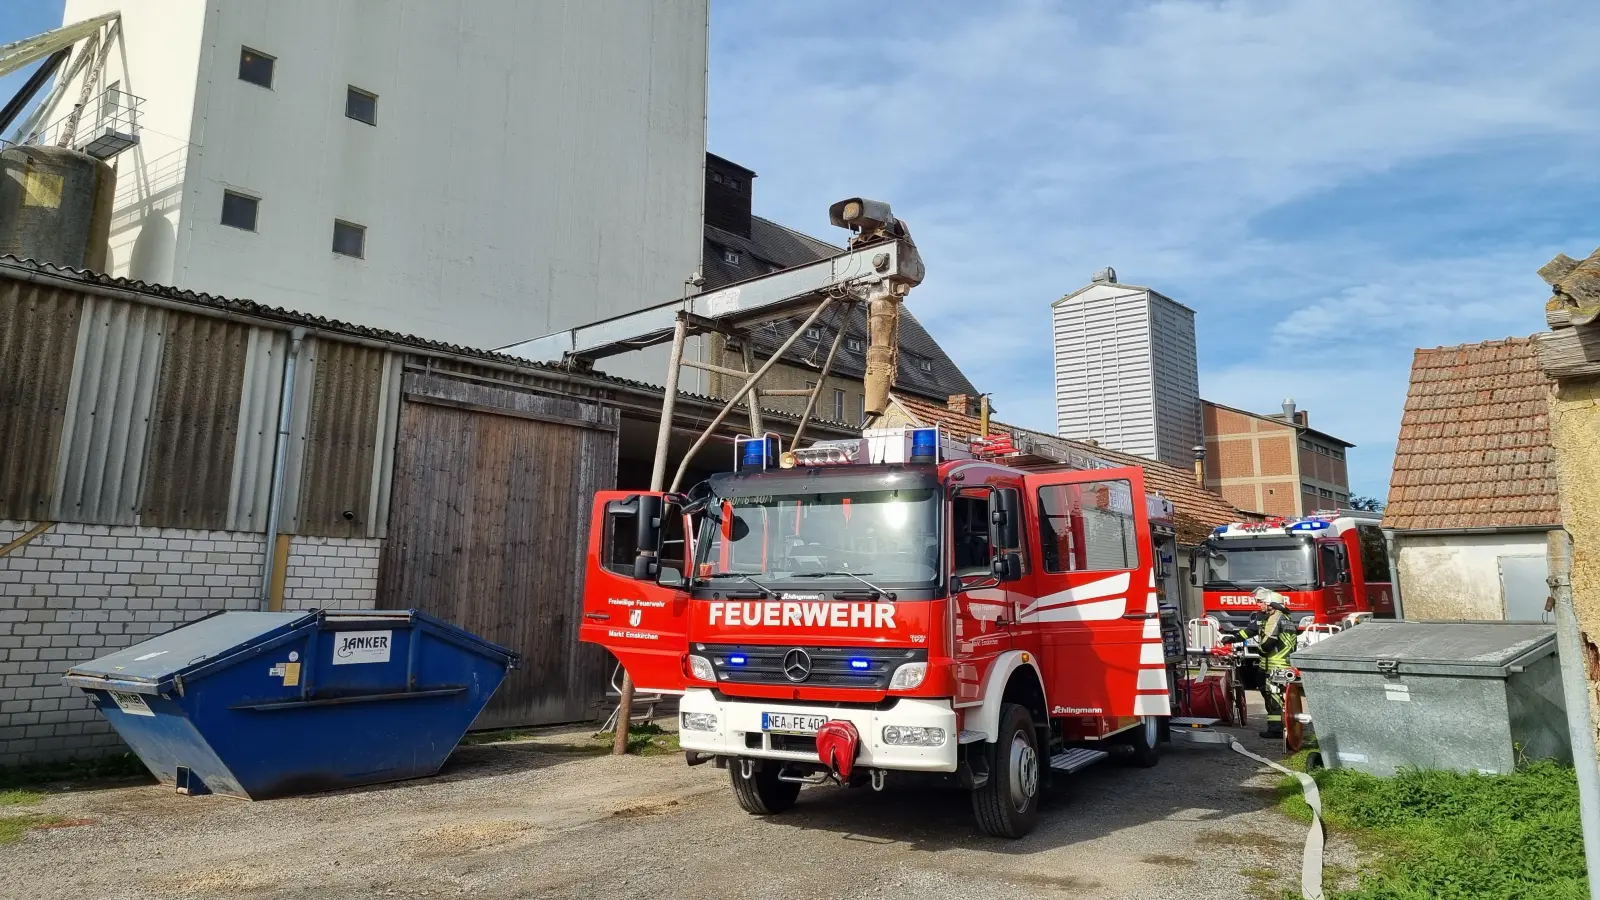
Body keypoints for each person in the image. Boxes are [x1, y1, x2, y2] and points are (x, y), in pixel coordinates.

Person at [1221, 587, 1296, 739]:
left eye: (1261, 602)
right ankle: (1276, 725)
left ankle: (1276, 729)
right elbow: (1250, 630)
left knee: (1273, 695)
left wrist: (1260, 651)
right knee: (1266, 692)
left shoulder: (1277, 619)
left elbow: (1269, 642)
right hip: (1267, 665)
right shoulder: (1266, 617)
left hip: (1277, 665)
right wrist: (1233, 638)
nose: (1259, 605)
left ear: (1271, 604)